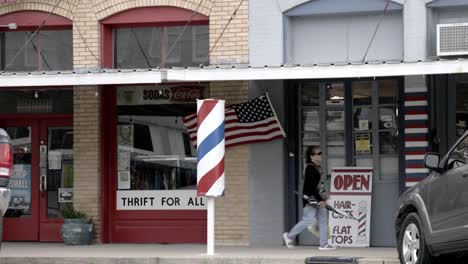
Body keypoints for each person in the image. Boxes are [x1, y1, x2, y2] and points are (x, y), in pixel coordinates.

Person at [282, 145, 336, 250]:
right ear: (311, 156)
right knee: (308, 220)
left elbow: (321, 185)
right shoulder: (310, 168)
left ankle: (324, 244)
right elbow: (310, 187)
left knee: (323, 220)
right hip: (311, 199)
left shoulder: (318, 168)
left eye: (321, 153)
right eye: (318, 153)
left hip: (319, 199)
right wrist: (320, 200)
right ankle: (289, 236)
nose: (321, 155)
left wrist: (325, 198)